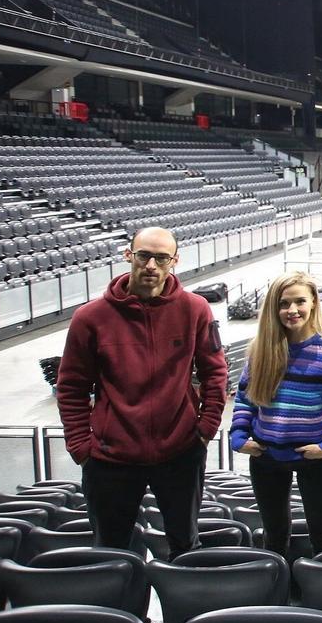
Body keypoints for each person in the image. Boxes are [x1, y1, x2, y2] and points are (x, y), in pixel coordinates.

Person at [57, 227, 227, 560]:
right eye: (144, 255)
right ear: (128, 255)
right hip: (110, 459)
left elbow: (215, 373)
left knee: (185, 544)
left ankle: (183, 611)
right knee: (113, 551)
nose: (151, 265)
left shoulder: (195, 310)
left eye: (161, 258)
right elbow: (72, 386)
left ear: (174, 261)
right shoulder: (90, 318)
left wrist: (205, 429)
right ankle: (124, 613)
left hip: (180, 453)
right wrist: (81, 445)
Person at [229, 272, 322, 558]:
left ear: (313, 302)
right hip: (267, 458)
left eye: (300, 301)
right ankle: (278, 592)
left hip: (316, 458)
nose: (292, 310)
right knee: (274, 534)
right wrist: (239, 436)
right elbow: (245, 399)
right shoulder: (260, 350)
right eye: (284, 303)